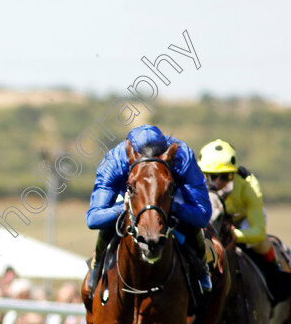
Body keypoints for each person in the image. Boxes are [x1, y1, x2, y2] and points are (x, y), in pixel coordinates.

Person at [86, 125, 212, 296]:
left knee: (192, 224)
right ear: (133, 154)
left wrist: (169, 206)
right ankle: (97, 266)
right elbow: (93, 219)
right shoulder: (115, 161)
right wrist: (127, 206)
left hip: (166, 196)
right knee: (107, 225)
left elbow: (202, 216)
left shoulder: (182, 157)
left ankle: (201, 269)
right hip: (133, 197)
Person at [198, 139, 291, 301]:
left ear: (234, 173)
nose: (218, 183)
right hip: (214, 220)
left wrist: (235, 235)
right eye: (212, 177)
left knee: (260, 242)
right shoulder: (195, 180)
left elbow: (259, 232)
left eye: (225, 176)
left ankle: (274, 276)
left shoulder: (249, 184)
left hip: (242, 220)